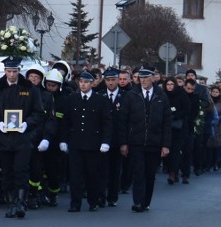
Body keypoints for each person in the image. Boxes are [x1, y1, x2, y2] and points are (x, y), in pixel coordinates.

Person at [0, 56, 45, 218]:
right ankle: (11, 203)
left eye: (15, 71)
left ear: (19, 71)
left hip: (22, 139)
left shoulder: (30, 89)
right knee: (7, 172)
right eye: (9, 71)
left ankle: (20, 203)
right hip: (3, 139)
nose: (12, 74)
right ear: (4, 71)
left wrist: (27, 124)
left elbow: (38, 113)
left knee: (21, 171)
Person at [58, 70, 113, 212]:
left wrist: (106, 141)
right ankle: (75, 203)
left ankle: (93, 201)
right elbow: (66, 121)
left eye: (86, 82)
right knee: (75, 175)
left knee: (92, 174)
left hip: (93, 143)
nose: (83, 85)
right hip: (76, 142)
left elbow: (106, 122)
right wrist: (63, 140)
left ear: (92, 83)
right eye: (81, 82)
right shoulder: (72, 99)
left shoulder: (100, 100)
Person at [119, 66, 172, 213]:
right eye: (141, 78)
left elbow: (167, 122)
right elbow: (123, 120)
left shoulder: (161, 96)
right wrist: (123, 142)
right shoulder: (132, 95)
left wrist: (166, 145)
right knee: (138, 172)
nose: (143, 81)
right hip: (136, 141)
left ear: (153, 78)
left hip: (154, 142)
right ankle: (138, 201)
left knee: (150, 174)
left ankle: (146, 201)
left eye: (146, 78)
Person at [24, 64, 56, 209]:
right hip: (22, 137)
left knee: (36, 169)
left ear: (41, 79)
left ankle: (33, 195)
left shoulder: (47, 96)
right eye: (31, 77)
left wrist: (46, 138)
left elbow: (50, 118)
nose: (33, 80)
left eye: (36, 77)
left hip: (38, 138)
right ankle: (19, 196)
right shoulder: (21, 93)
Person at [97, 67, 124, 206]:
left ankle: (112, 196)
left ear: (118, 80)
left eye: (113, 80)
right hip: (102, 139)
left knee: (115, 169)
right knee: (102, 169)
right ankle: (101, 195)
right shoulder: (99, 96)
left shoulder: (125, 96)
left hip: (118, 139)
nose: (111, 83)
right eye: (108, 80)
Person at [41, 69, 67, 206]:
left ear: (59, 86)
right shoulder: (42, 98)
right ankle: (41, 193)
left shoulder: (63, 101)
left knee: (54, 170)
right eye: (48, 85)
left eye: (54, 85)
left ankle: (53, 193)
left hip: (57, 141)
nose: (50, 88)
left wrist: (63, 140)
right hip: (43, 137)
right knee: (40, 168)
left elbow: (65, 123)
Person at [162, 77, 189, 185]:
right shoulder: (163, 95)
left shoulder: (182, 95)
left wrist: (175, 115)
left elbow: (186, 109)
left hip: (179, 127)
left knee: (176, 151)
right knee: (167, 151)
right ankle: (171, 171)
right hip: (166, 128)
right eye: (167, 84)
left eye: (171, 84)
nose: (169, 86)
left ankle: (173, 173)